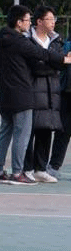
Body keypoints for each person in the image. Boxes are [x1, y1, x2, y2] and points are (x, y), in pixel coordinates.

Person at [0, 4, 71, 185]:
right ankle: (18, 173)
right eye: (27, 20)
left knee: (5, 132)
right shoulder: (20, 41)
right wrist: (63, 59)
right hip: (21, 95)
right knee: (22, 135)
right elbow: (40, 53)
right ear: (19, 22)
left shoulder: (2, 37)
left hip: (4, 95)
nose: (29, 23)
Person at [23, 6, 63, 183]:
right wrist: (53, 63)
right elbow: (34, 66)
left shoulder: (56, 41)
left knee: (46, 129)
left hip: (51, 91)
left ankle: (41, 169)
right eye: (49, 19)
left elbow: (61, 64)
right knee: (28, 131)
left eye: (54, 19)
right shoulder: (28, 41)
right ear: (39, 21)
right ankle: (27, 168)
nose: (53, 22)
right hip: (31, 90)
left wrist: (53, 63)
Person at [48, 31, 71, 178]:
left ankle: (54, 165)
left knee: (63, 131)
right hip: (67, 93)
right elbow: (60, 62)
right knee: (63, 131)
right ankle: (54, 165)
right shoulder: (67, 45)